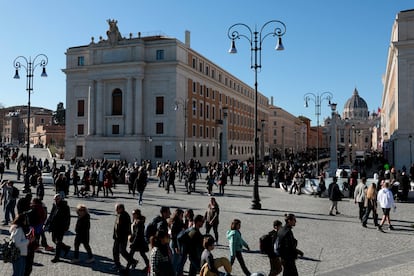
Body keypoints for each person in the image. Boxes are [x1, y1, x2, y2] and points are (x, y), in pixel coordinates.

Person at [44, 194, 71, 263]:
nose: (56, 200)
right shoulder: (55, 205)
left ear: (61, 199)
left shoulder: (65, 207)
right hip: (54, 226)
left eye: (57, 199)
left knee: (58, 242)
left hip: (61, 227)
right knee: (53, 240)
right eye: (55, 199)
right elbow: (51, 216)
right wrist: (46, 224)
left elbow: (68, 218)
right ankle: (66, 248)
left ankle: (57, 257)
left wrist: (66, 227)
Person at [112, 203, 136, 271]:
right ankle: (117, 264)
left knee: (122, 251)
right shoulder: (119, 214)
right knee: (115, 251)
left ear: (121, 208)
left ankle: (133, 261)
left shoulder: (125, 216)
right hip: (117, 237)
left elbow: (126, 228)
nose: (116, 210)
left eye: (117, 209)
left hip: (122, 237)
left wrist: (126, 236)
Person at [169, 208, 185, 273]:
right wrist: (176, 247)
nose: (182, 216)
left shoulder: (179, 222)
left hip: (177, 243)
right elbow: (173, 236)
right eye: (181, 215)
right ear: (178, 215)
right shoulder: (175, 223)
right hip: (175, 243)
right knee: (175, 261)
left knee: (177, 260)